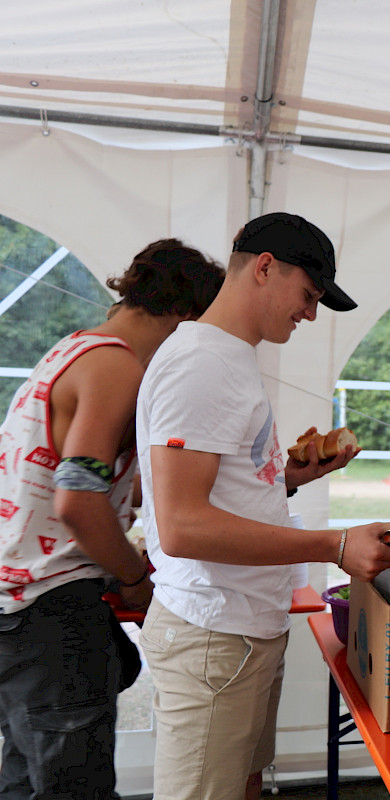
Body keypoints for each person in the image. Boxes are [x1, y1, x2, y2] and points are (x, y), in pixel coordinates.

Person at [134, 213, 390, 800]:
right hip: (214, 632)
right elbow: (182, 526)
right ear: (264, 268)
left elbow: (218, 489)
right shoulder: (201, 363)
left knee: (244, 784)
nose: (309, 314)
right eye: (308, 296)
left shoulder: (229, 356)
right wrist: (334, 544)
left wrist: (285, 478)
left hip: (242, 628)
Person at [0, 239, 224, 800]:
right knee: (74, 785)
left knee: (25, 779)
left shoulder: (75, 350)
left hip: (18, 606)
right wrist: (134, 577)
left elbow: (94, 479)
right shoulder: (115, 366)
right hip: (53, 612)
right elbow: (78, 500)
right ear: (187, 317)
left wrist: (279, 482)